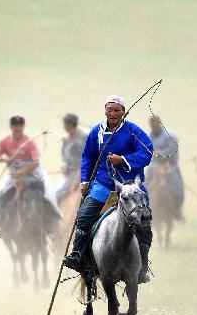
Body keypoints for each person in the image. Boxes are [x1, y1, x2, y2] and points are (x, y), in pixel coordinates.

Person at [63, 95, 154, 283]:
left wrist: (123, 160)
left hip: (130, 186)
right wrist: (85, 180)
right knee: (84, 216)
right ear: (105, 110)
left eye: (117, 110)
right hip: (103, 184)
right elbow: (88, 156)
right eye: (109, 109)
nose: (113, 113)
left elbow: (147, 151)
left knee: (144, 221)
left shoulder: (133, 131)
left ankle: (142, 267)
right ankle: (77, 255)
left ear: (123, 112)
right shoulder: (96, 131)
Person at [0, 116, 61, 223]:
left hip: (33, 173)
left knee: (49, 191)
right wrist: (5, 159)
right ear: (11, 126)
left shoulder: (29, 141)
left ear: (23, 126)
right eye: (15, 125)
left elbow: (36, 162)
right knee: (1, 191)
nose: (18, 128)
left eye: (20, 125)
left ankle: (54, 216)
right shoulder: (4, 141)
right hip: (14, 174)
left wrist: (22, 172)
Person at [145, 115, 184, 216]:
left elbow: (172, 149)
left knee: (177, 186)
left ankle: (177, 209)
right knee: (143, 185)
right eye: (152, 125)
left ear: (160, 123)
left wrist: (158, 153)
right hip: (154, 165)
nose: (154, 126)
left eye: (156, 124)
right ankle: (144, 208)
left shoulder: (170, 136)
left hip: (170, 165)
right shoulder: (148, 137)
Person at [56, 113, 88, 205]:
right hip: (68, 173)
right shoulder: (65, 139)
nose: (64, 127)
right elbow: (65, 158)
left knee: (59, 195)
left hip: (80, 172)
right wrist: (65, 167)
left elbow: (87, 158)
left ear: (70, 124)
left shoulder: (83, 138)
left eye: (65, 124)